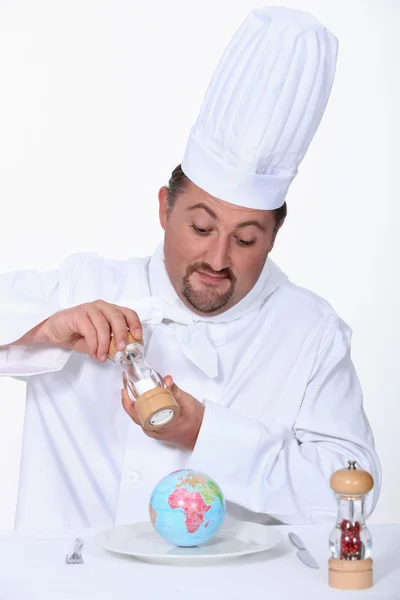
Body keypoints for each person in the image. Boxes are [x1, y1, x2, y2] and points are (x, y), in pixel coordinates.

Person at [0, 6, 381, 530]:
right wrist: (44, 328)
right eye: (201, 229)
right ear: (164, 208)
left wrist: (206, 434)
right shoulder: (84, 286)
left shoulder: (311, 332)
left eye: (246, 239)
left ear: (273, 237)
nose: (218, 261)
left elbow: (350, 491)